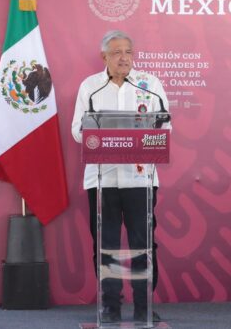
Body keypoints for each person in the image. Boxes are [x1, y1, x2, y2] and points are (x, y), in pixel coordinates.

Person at [71, 30, 169, 323]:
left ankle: (143, 306)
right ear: (104, 57)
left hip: (141, 181)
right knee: (106, 244)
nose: (124, 57)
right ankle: (110, 307)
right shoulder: (90, 87)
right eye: (117, 52)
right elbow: (78, 131)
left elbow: (165, 128)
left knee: (143, 242)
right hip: (101, 180)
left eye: (128, 51)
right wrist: (105, 134)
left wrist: (135, 137)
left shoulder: (150, 85)